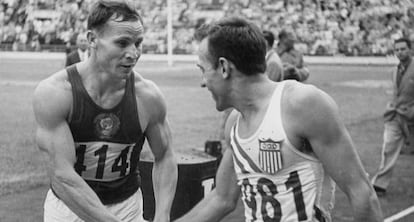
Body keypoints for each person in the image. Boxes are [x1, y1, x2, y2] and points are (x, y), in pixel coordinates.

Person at [175, 17, 383, 222]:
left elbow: (361, 193)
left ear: (223, 67)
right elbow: (221, 198)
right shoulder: (235, 122)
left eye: (203, 70)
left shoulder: (303, 104)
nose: (203, 83)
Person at [32, 1, 177, 221]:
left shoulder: (148, 96)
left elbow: (165, 155)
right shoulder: (55, 93)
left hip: (127, 207)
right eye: (122, 43)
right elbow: (63, 176)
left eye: (138, 43)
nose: (133, 53)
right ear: (92, 40)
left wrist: (163, 215)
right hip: (70, 209)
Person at [371, 38, 414, 196]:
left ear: (410, 49)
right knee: (389, 147)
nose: (400, 52)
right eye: (397, 50)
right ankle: (380, 184)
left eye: (403, 49)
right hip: (395, 115)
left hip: (412, 116)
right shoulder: (394, 70)